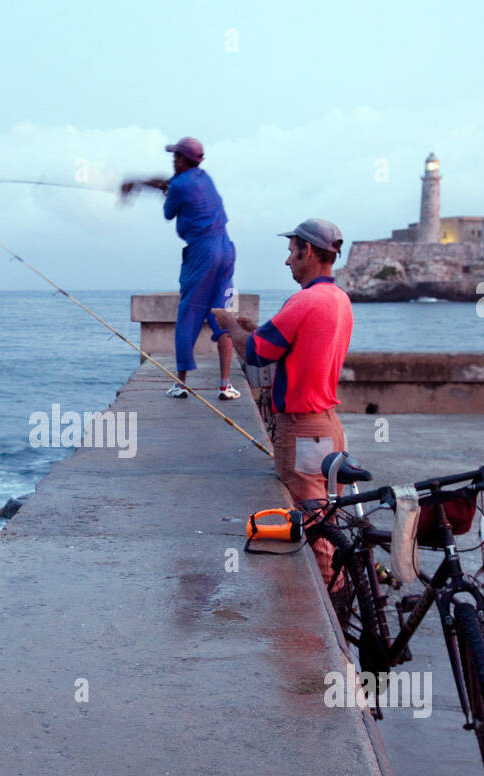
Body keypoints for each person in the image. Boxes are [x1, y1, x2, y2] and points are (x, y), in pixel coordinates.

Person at [214, 219, 353, 584]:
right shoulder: (339, 299)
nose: (287, 261)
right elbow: (291, 343)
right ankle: (342, 598)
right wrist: (250, 327)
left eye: (292, 252)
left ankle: (330, 620)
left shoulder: (304, 300)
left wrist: (229, 325)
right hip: (329, 427)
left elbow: (257, 354)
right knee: (330, 523)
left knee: (315, 527)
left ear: (308, 251)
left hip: (303, 429)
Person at [121, 137, 240, 401]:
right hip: (226, 250)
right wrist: (145, 183)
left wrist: (143, 186)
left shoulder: (179, 185)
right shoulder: (204, 178)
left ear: (185, 160)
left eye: (176, 157)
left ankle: (182, 385)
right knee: (224, 316)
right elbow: (169, 183)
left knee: (189, 315)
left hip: (202, 253)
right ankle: (225, 385)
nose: (173, 160)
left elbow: (168, 211)